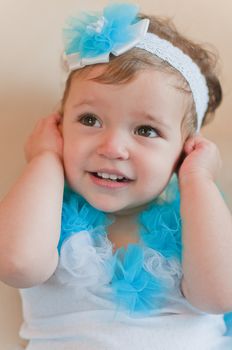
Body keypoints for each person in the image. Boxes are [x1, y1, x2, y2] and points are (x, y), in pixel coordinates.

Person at [0, 3, 232, 349]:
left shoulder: (197, 219)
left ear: (185, 150)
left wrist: (198, 180)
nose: (112, 147)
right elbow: (15, 263)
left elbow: (221, 293)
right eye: (90, 120)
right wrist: (44, 158)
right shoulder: (44, 214)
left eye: (146, 130)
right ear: (59, 125)